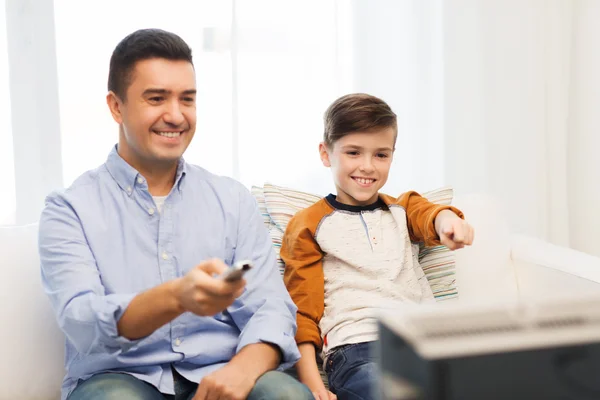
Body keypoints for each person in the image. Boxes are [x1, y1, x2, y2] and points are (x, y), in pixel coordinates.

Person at [38, 28, 313, 400]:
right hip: (120, 377)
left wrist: (242, 370)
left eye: (187, 99)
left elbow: (272, 309)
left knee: (285, 395)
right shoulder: (69, 209)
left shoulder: (231, 199)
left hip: (222, 368)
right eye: (156, 98)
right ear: (116, 106)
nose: (176, 115)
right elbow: (82, 320)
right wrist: (176, 296)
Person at [281, 93, 475, 400]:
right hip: (358, 350)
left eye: (381, 155)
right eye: (354, 153)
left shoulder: (403, 208)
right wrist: (315, 387)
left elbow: (430, 215)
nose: (368, 167)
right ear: (326, 153)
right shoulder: (308, 224)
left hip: (425, 343)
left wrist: (449, 221)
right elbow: (302, 314)